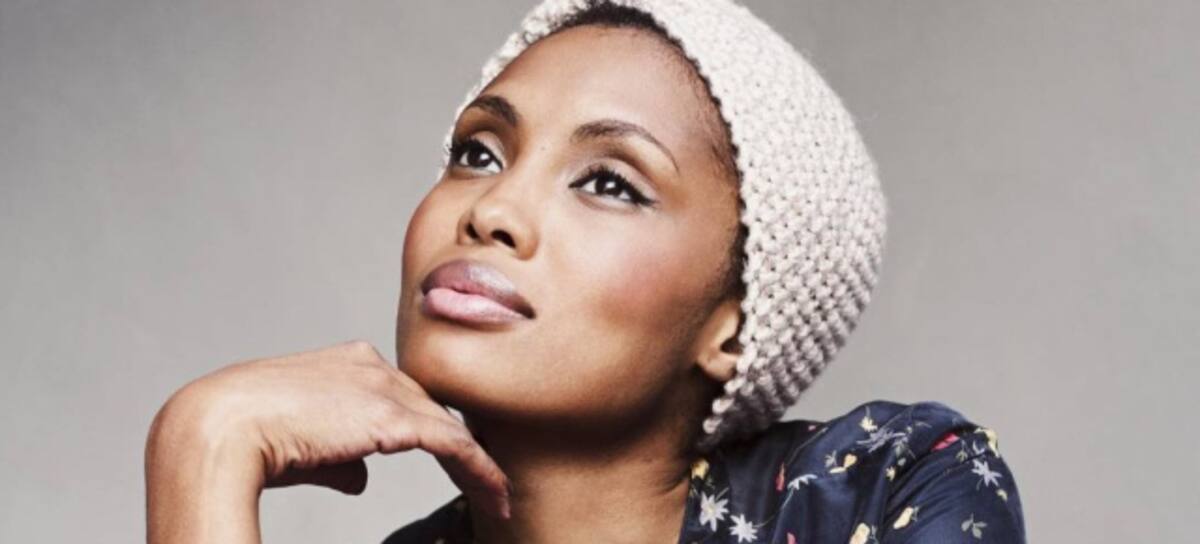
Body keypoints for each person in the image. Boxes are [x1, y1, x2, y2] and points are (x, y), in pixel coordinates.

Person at [144, 1, 1027, 542]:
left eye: (609, 182)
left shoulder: (884, 489)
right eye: (479, 153)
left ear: (735, 322)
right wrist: (202, 448)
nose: (491, 210)